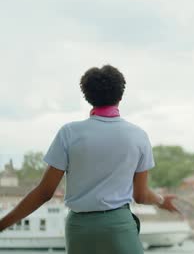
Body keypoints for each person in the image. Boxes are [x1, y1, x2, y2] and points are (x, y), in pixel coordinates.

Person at [0, 65, 178, 253]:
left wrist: (2, 224)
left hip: (79, 229)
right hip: (118, 226)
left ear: (87, 96)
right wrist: (161, 200)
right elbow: (141, 195)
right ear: (120, 96)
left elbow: (44, 192)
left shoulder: (69, 133)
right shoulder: (138, 136)